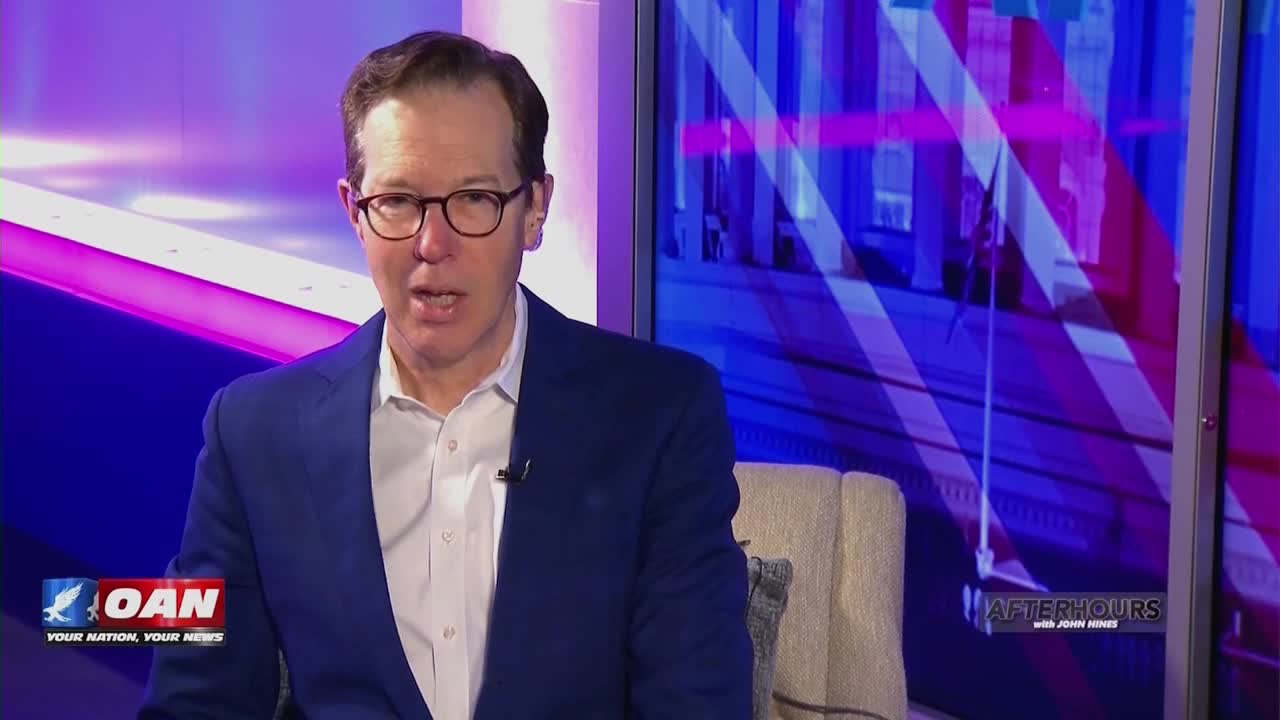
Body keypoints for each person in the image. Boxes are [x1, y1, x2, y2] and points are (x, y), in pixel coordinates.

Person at [138, 30, 752, 719]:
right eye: (398, 201)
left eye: (474, 200)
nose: (433, 246)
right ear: (353, 212)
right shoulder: (254, 433)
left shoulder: (660, 416)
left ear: (535, 210)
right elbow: (194, 703)